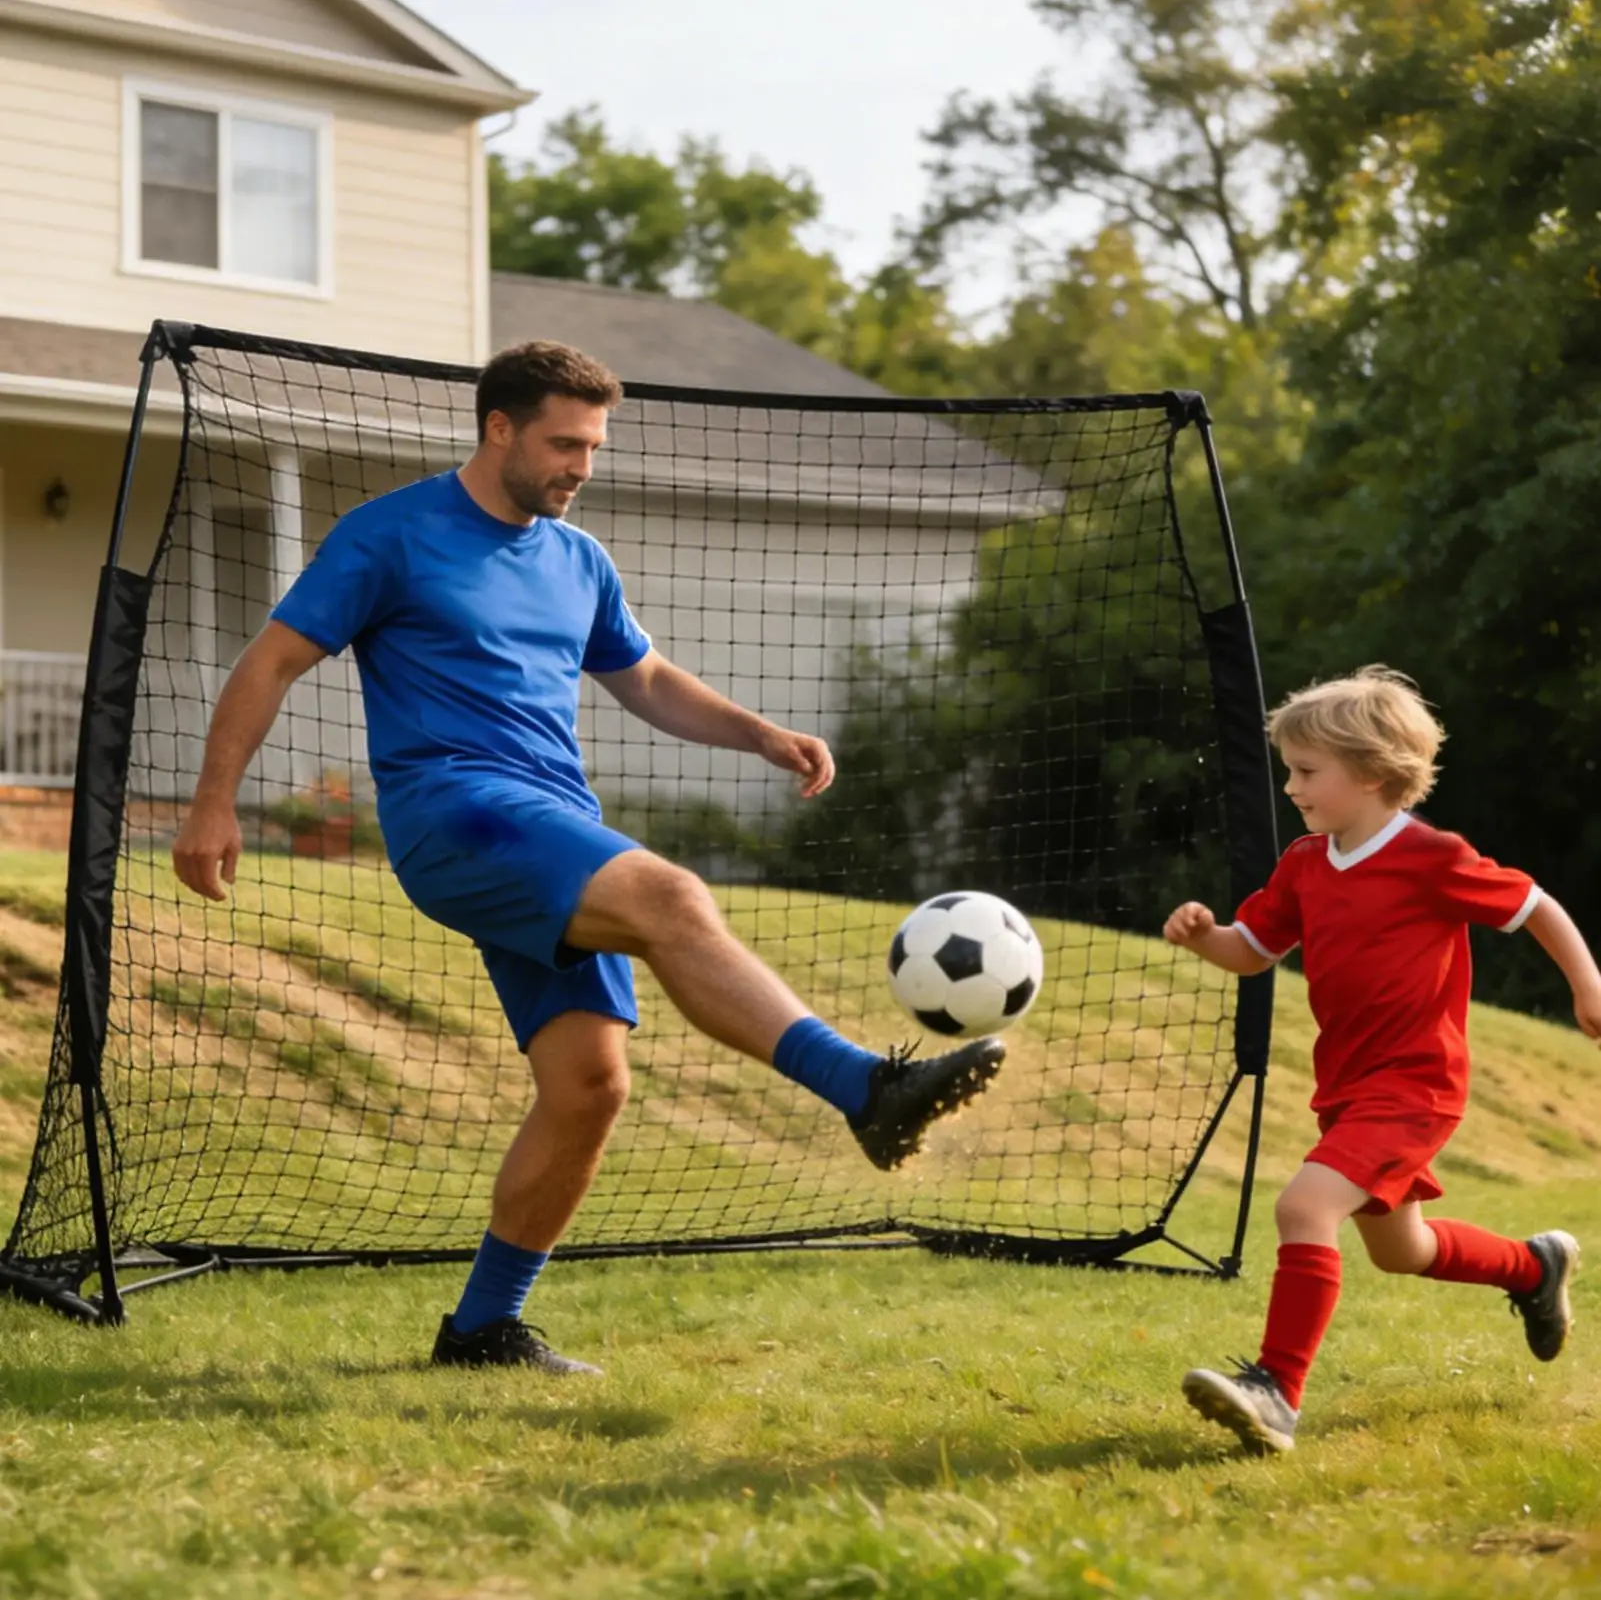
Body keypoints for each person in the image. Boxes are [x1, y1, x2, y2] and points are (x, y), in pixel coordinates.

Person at [171, 341, 1005, 1376]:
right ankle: (860, 1088)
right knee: (669, 892)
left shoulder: (577, 558)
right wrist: (213, 804)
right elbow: (272, 659)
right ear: (498, 428)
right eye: (566, 442)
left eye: (594, 445)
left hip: (551, 818)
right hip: (456, 815)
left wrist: (758, 732)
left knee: (587, 1084)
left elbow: (644, 676)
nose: (582, 464)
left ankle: (481, 1328)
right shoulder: (388, 534)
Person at [1163, 665, 1601, 1454]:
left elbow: (1534, 904)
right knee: (1404, 1250)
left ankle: (1274, 1393)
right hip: (1348, 1087)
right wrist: (1205, 938)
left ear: (1369, 773)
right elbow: (1252, 951)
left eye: (1304, 771)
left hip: (1415, 1084)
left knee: (1303, 1208)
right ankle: (1533, 1268)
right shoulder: (1303, 861)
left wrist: (1587, 981)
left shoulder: (1430, 855)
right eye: (1288, 769)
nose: (1290, 785)